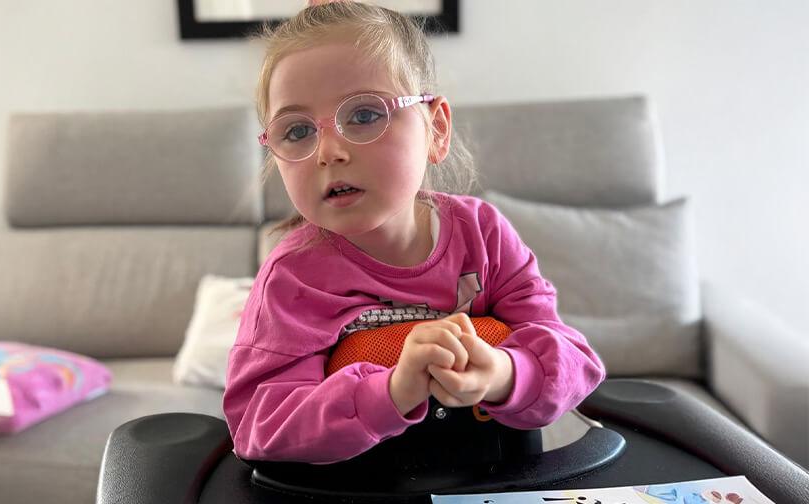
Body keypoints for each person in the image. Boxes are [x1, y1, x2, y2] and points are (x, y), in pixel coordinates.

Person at [222, 0, 605, 464]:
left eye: (364, 115)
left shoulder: (482, 235)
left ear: (437, 128)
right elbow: (260, 424)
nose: (328, 151)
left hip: (490, 472)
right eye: (297, 130)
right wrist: (392, 391)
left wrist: (504, 372)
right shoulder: (293, 276)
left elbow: (574, 361)